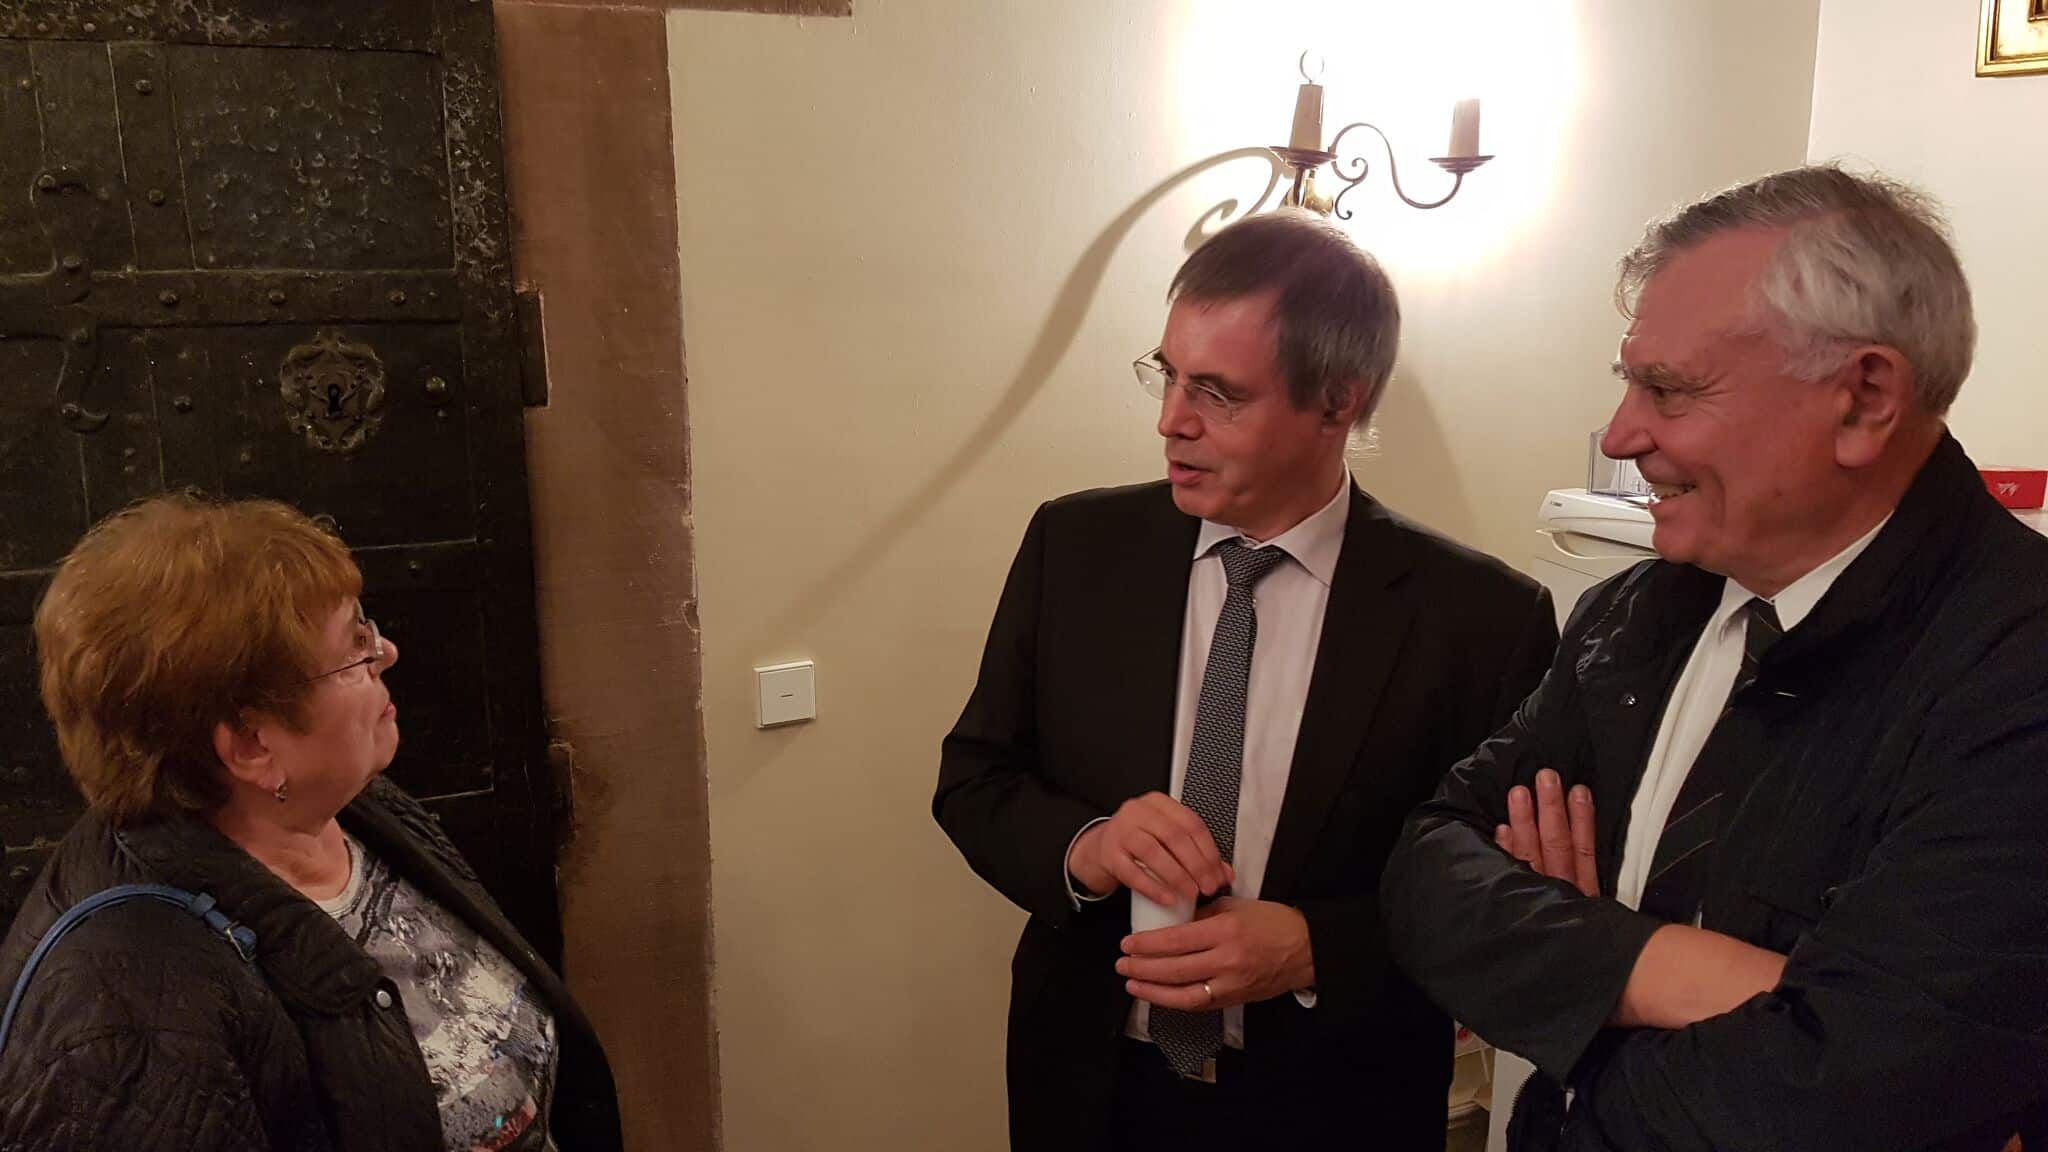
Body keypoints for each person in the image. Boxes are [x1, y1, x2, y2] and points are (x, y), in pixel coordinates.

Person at [1380, 165, 2048, 1151]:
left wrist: (1558, 974)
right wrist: (1656, 965)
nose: (1620, 435)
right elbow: (1427, 873)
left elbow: (1841, 1094)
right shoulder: (1634, 612)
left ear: (1863, 401)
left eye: (1668, 390)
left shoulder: (2015, 668)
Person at [934, 210, 1556, 1151]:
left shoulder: (1482, 618)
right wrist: (1090, 845)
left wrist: (1319, 949)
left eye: (1218, 394)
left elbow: (1506, 897)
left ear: (1336, 403)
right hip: (1088, 1084)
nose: (1171, 421)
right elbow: (975, 780)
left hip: (1336, 1101)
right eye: (1168, 375)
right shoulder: (1075, 547)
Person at [0, 494, 622, 1152]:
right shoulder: (129, 1025)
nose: (386, 651)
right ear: (252, 746)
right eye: (354, 648)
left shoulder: (348, 808)